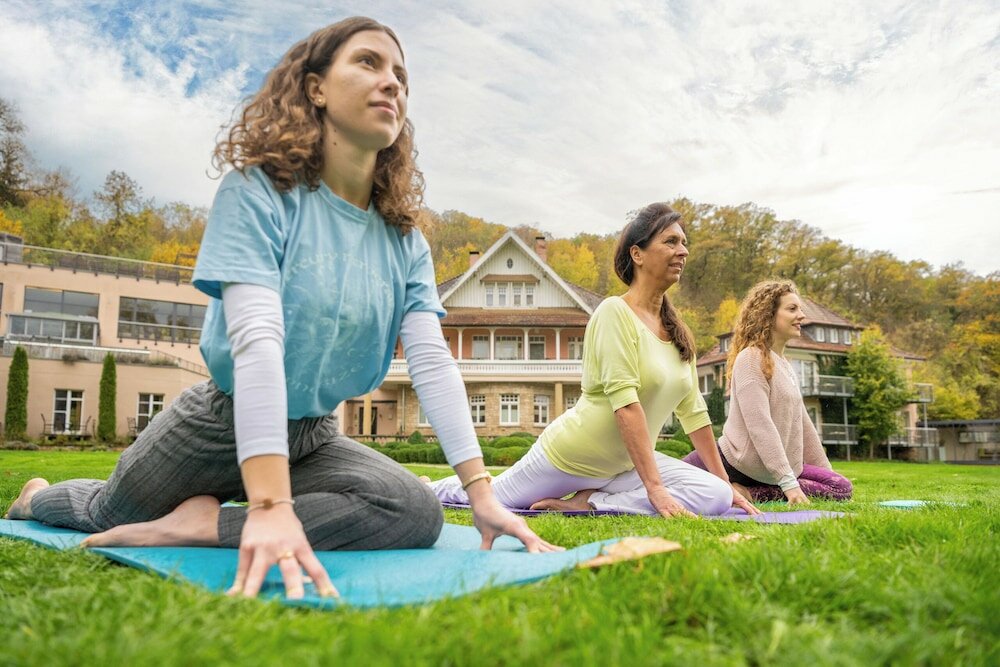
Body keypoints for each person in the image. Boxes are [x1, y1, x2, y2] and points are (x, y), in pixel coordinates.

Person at [4, 16, 557, 600]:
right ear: (315, 87)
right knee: (104, 514)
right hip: (219, 422)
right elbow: (257, 342)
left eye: (401, 75)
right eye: (369, 62)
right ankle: (36, 493)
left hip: (312, 435)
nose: (392, 82)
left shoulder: (405, 242)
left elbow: (431, 362)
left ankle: (204, 526)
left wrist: (481, 494)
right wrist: (267, 503)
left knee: (414, 510)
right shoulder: (259, 191)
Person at [432, 203, 760, 518]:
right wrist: (655, 488)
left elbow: (695, 415)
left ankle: (590, 503)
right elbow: (626, 407)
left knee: (715, 496)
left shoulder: (678, 334)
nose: (683, 251)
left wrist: (724, 483)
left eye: (684, 243)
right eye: (671, 241)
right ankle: (429, 488)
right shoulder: (614, 312)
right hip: (571, 457)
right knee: (487, 496)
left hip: (625, 466)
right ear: (638, 254)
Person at [683, 280, 853, 503]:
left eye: (800, 309)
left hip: (773, 471)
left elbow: (803, 424)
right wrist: (789, 484)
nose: (801, 315)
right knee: (665, 483)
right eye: (792, 309)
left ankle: (749, 493)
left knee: (840, 487)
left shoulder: (784, 364)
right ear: (768, 315)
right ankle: (746, 491)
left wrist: (826, 473)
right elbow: (760, 425)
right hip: (736, 463)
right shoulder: (751, 358)